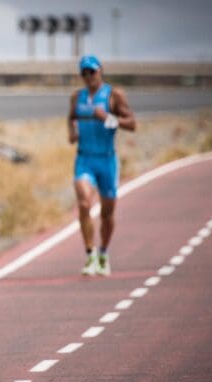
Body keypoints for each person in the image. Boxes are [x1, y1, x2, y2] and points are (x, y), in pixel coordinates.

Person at [67, 55, 136, 276]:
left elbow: (132, 124)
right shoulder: (77, 97)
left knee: (107, 213)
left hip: (107, 160)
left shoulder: (114, 95)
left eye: (92, 72)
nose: (88, 77)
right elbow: (71, 117)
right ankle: (90, 255)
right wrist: (72, 132)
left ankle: (104, 253)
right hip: (84, 158)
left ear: (100, 72)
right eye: (84, 73)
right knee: (85, 204)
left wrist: (107, 117)